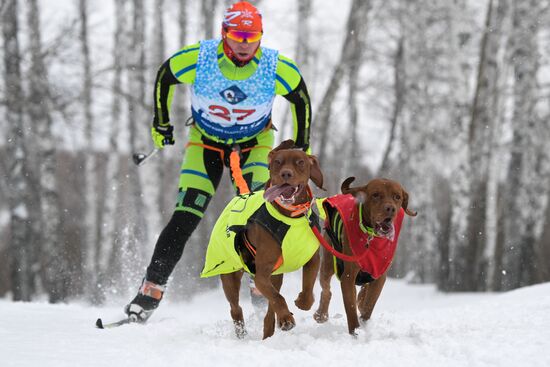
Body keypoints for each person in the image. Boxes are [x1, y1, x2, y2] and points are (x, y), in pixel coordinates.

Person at [125, 1, 312, 322]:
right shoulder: (201, 58)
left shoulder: (274, 66)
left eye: (251, 36)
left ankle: (260, 281)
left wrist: (302, 146)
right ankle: (151, 288)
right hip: (206, 144)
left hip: (255, 145)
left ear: (260, 36)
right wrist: (161, 123)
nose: (244, 43)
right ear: (225, 34)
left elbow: (301, 100)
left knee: (264, 211)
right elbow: (164, 76)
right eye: (237, 35)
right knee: (187, 214)